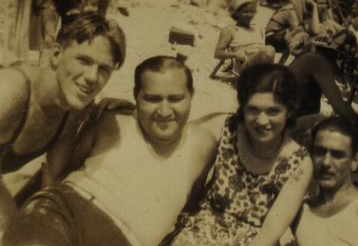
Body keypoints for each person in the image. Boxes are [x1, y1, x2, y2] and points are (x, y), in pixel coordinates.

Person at [1, 56, 217, 246]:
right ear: (137, 97)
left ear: (191, 95)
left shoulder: (204, 144)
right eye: (152, 98)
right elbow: (63, 168)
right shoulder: (112, 119)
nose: (164, 111)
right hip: (64, 213)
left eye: (176, 99)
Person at [0, 12, 126, 230]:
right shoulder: (11, 91)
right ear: (56, 54)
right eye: (84, 61)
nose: (92, 77)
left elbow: (53, 175)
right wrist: (12, 222)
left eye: (104, 69)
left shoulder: (74, 108)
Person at [168, 63, 313, 245]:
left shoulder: (299, 162)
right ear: (243, 107)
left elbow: (271, 232)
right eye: (253, 109)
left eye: (273, 111)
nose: (261, 121)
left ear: (289, 111)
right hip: (200, 228)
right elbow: (175, 137)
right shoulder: (227, 128)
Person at [253, 117, 358, 246]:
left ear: (355, 161)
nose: (326, 162)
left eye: (337, 155)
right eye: (319, 152)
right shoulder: (300, 210)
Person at [214, 0, 275, 74]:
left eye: (252, 12)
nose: (249, 15)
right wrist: (235, 54)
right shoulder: (230, 30)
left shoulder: (257, 29)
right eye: (245, 12)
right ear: (237, 13)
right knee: (269, 49)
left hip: (259, 62)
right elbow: (217, 53)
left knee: (269, 50)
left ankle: (264, 79)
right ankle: (264, 79)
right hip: (243, 65)